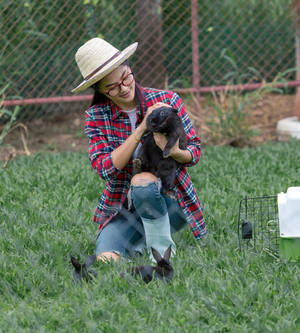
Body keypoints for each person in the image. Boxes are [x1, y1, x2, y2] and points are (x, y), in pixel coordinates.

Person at [71, 38, 207, 262]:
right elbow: (105, 168)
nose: (124, 88)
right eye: (113, 86)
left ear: (129, 68)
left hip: (171, 202)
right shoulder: (96, 117)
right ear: (100, 90)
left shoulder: (167, 100)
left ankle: (162, 255)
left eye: (125, 77)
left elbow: (195, 152)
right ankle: (141, 242)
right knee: (106, 259)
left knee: (143, 181)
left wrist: (173, 151)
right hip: (125, 209)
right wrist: (143, 127)